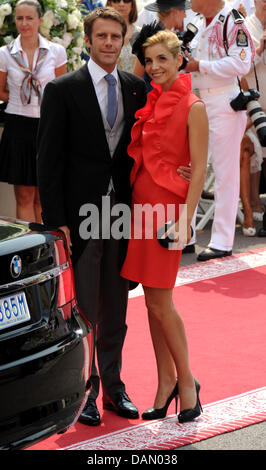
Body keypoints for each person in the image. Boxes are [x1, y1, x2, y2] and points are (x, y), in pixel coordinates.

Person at [37, 7, 147, 426]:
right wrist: (56, 220)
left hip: (120, 213)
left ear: (123, 40)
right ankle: (86, 390)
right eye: (101, 36)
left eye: (115, 37)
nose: (108, 43)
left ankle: (114, 388)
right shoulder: (62, 89)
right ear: (88, 40)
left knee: (115, 306)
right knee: (84, 309)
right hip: (80, 218)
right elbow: (47, 162)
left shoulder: (137, 88)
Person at [121, 27, 208, 422]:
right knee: (152, 304)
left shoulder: (194, 106)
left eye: (162, 59)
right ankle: (165, 381)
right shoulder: (149, 100)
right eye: (149, 60)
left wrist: (186, 221)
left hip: (168, 214)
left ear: (179, 61)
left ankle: (187, 382)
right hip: (140, 208)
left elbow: (201, 168)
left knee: (160, 301)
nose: (154, 67)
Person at [185, 0, 254, 261]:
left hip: (225, 100)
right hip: (200, 100)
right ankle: (186, 234)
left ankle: (222, 240)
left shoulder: (232, 20)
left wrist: (200, 65)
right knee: (193, 167)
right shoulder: (201, 23)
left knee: (225, 172)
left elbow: (241, 64)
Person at [0, 0, 67, 223]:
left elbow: (62, 92)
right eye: (19, 18)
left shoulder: (56, 51)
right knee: (25, 196)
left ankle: (45, 250)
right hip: (18, 126)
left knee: (44, 196)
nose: (24, 23)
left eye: (29, 18)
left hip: (47, 126)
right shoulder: (5, 53)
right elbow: (1, 91)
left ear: (40, 20)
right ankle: (29, 251)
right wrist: (22, 102)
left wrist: (44, 107)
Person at [239, 0, 266, 235]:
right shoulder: (245, 27)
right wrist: (259, 50)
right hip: (255, 99)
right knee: (256, 148)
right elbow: (239, 68)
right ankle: (253, 203)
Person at [105, 0, 142, 73]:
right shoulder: (102, 34)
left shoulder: (141, 34)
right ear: (110, 3)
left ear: (132, 4)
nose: (121, 4)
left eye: (126, 0)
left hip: (136, 83)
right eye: (117, 0)